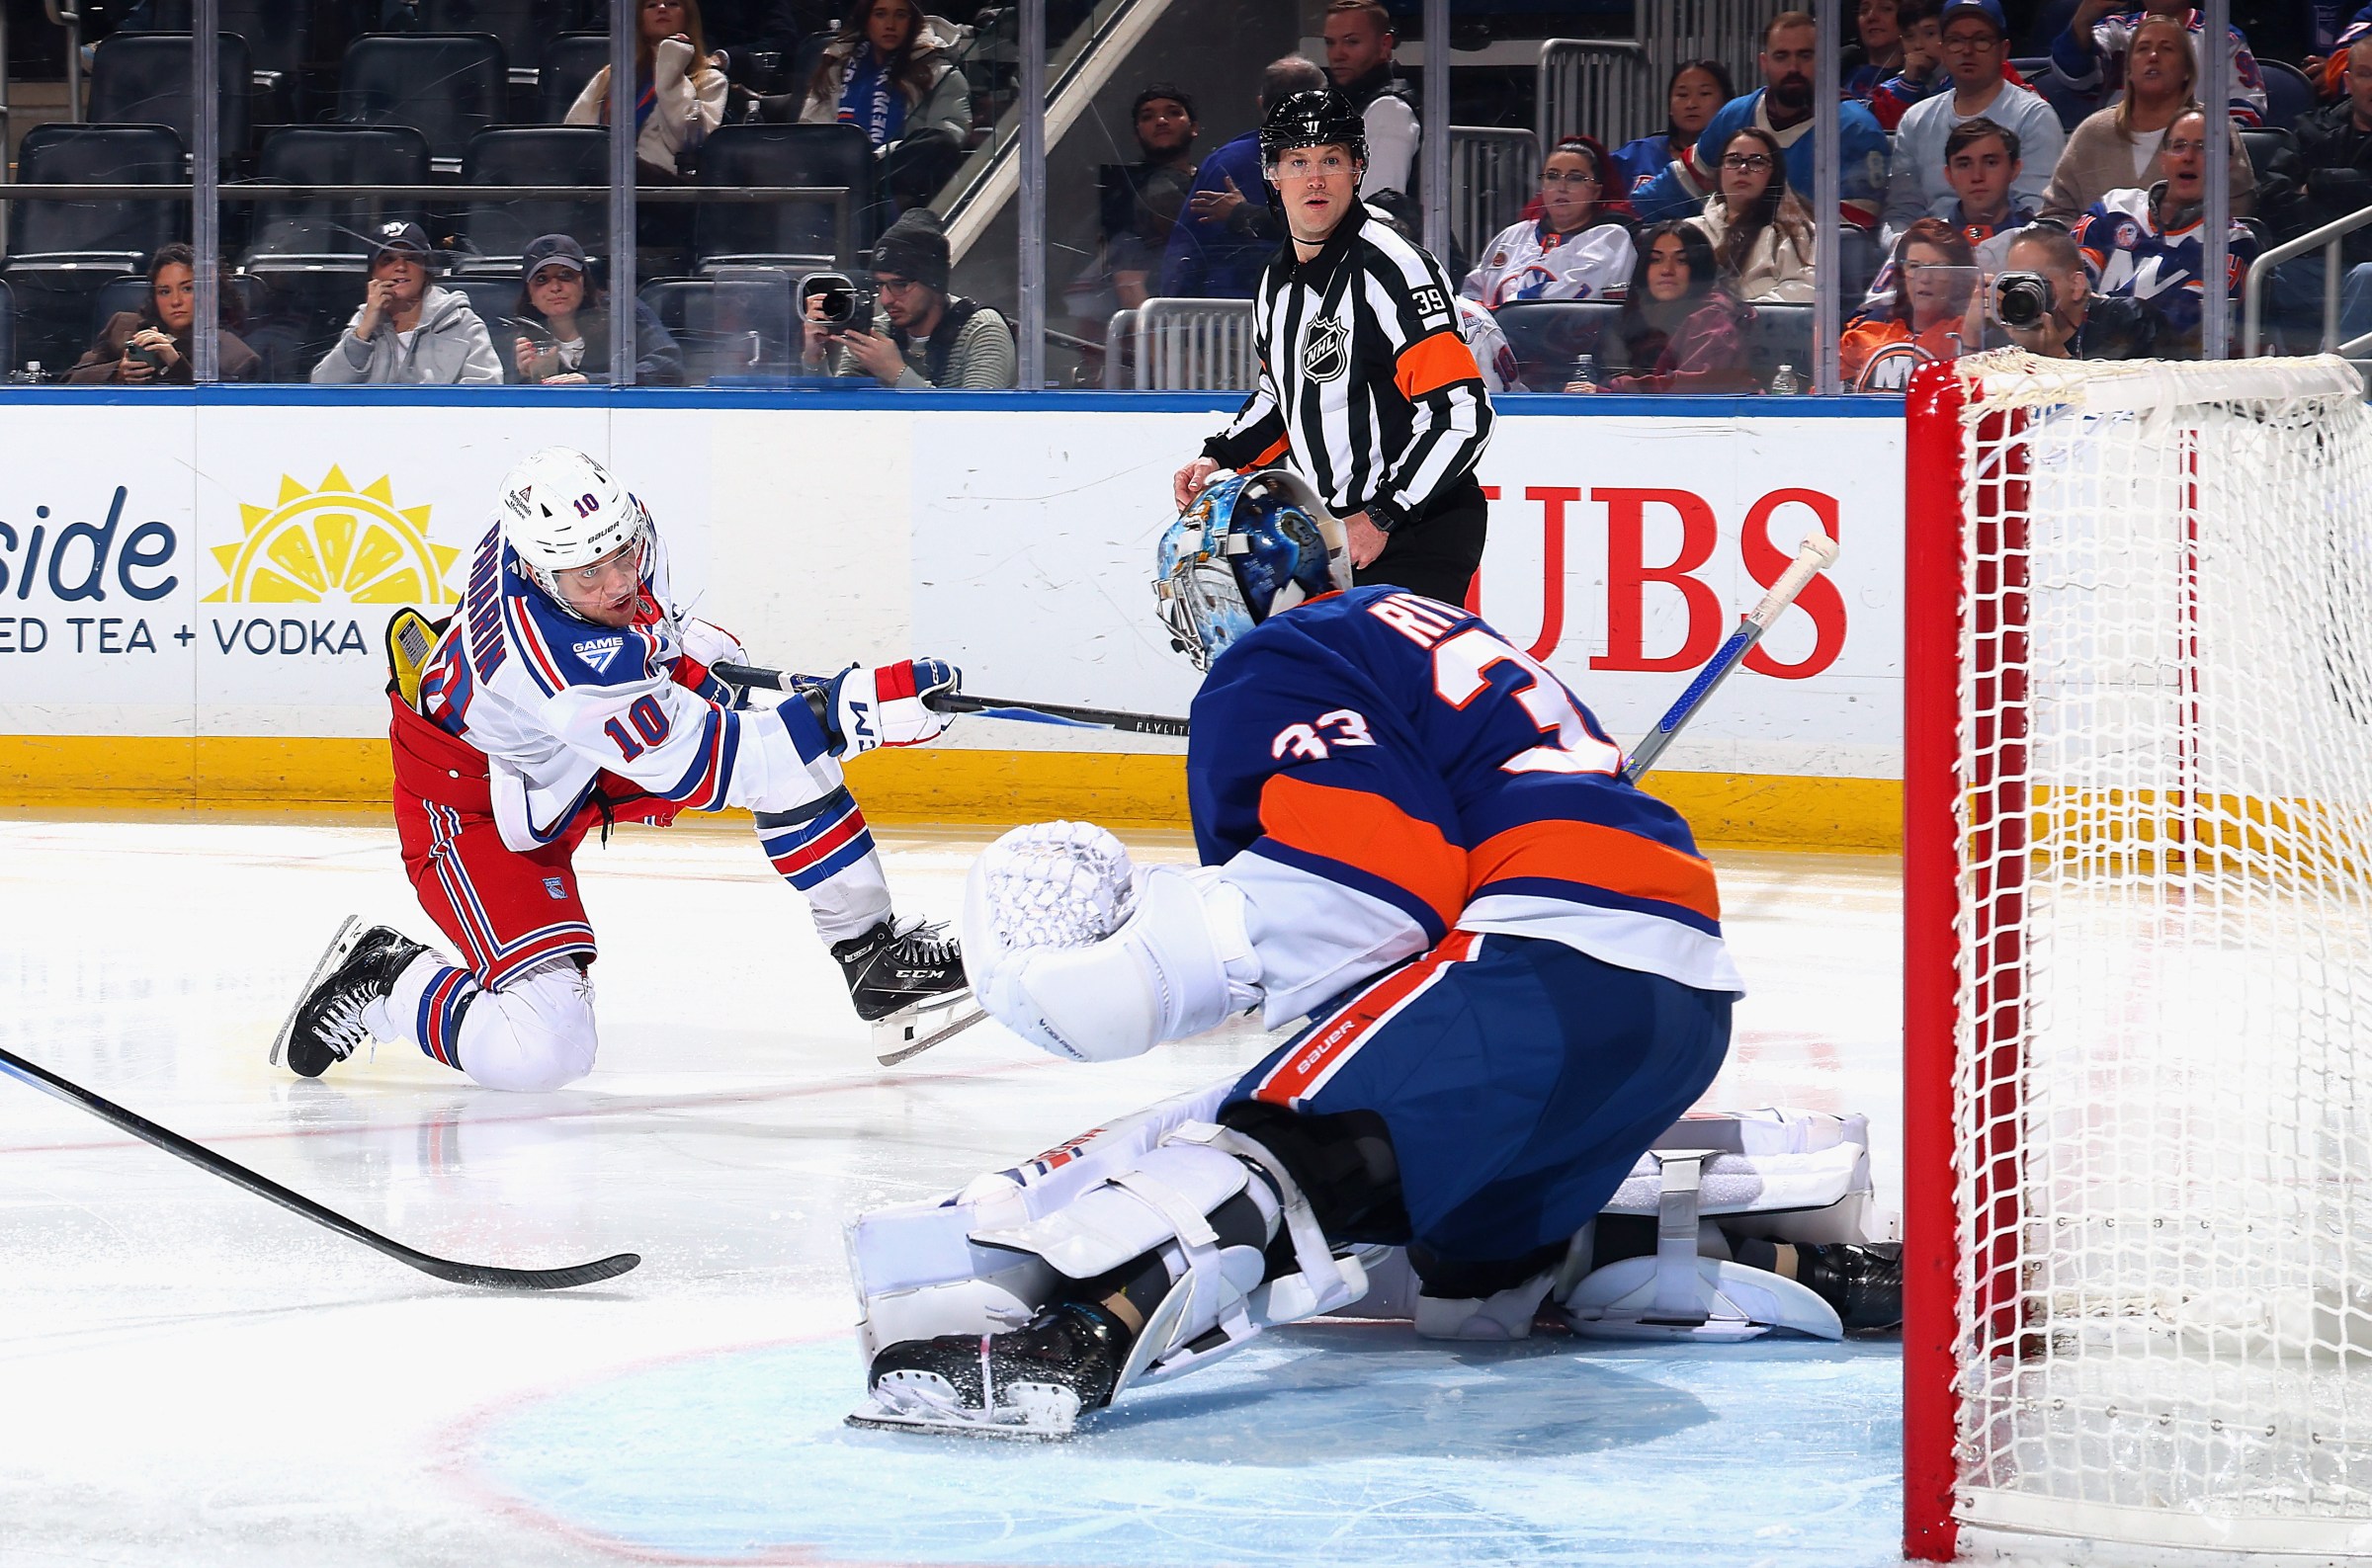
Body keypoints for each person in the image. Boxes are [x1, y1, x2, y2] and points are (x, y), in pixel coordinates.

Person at [843, 476, 1900, 1437]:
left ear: (1241, 588)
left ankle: (1072, 1345)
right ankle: (1803, 1269)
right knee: (1467, 1281)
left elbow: (1374, 891)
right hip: (1679, 992)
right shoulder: (1421, 627)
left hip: (1542, 958)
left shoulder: (1276, 658)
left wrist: (1148, 969)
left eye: (1200, 599)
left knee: (1288, 1133)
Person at [276, 448, 971, 1092]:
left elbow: (643, 633)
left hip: (556, 750)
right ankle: (388, 979)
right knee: (546, 1050)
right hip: (471, 797)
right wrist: (853, 713)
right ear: (542, 574)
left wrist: (695, 666)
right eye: (591, 574)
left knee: (779, 738)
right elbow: (716, 766)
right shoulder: (554, 664)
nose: (619, 582)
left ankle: (874, 959)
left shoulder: (574, 535)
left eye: (622, 554)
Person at [1173, 91, 1494, 609]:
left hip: (1415, 529)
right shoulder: (1274, 282)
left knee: (1373, 664)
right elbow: (1282, 399)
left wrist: (1383, 515)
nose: (1315, 179)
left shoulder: (1393, 270)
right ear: (1273, 175)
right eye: (1298, 162)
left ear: (1357, 167)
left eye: (1331, 160)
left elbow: (1460, 413)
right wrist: (1218, 457)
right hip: (1337, 533)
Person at [1631, 13, 1892, 231]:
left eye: (1805, 56)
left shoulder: (1857, 129)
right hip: (1732, 261)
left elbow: (1854, 233)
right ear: (1764, 63)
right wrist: (1625, 214)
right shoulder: (1734, 115)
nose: (1793, 68)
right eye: (1781, 56)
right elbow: (1678, 186)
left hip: (1808, 272)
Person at [2070, 108, 2258, 356]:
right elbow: (2067, 283)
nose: (2188, 157)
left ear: (2227, 165)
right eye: (2179, 146)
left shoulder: (2231, 241)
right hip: (2076, 356)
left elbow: (2179, 325)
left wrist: (2097, 311)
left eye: (2204, 148)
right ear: (2163, 159)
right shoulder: (2113, 207)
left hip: (2162, 369)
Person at [1879, 0, 2064, 242]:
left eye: (1981, 40)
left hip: (2010, 250)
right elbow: (1900, 213)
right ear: (1943, 49)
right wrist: (1905, 246)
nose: (1967, 50)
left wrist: (1974, 249)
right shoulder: (1916, 119)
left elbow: (2038, 215)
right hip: (1929, 252)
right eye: (1956, 40)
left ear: (2004, 50)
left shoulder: (2034, 115)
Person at [2039, 16, 2256, 220]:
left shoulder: (2213, 128)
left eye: (2166, 49)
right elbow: (2056, 214)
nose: (2153, 56)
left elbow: (2237, 213)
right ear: (2129, 71)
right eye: (2143, 48)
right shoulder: (2093, 132)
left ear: (2187, 71)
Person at [762, 0, 971, 208]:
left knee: (936, 142)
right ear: (866, 20)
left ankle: (871, 189)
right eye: (880, 14)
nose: (890, 25)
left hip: (903, 177)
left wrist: (878, 156)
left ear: (914, 21)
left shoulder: (940, 73)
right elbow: (811, 131)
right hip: (838, 174)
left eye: (900, 15)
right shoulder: (835, 70)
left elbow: (949, 134)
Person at [1161, 56, 1328, 300]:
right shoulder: (1338, 165)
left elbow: (1184, 255)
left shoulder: (1224, 163)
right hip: (1312, 307)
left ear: (1260, 102)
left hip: (1223, 312)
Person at [803, 207, 1017, 388]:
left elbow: (977, 419)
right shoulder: (877, 332)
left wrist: (897, 373)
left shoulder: (982, 330)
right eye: (880, 285)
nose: (886, 299)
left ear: (934, 283)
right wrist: (814, 358)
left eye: (900, 285)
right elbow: (842, 413)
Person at [2264, 35, 2372, 343]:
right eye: (2365, 74)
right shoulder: (2313, 129)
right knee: (2265, 275)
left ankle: (2334, 368)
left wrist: (2319, 183)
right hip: (2318, 266)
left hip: (2365, 268)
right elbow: (2272, 196)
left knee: (2367, 276)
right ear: (2348, 82)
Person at [310, 221, 502, 386]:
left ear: (426, 269)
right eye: (388, 260)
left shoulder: (460, 323)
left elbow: (486, 390)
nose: (401, 267)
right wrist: (363, 332)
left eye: (411, 258)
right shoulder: (363, 323)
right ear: (373, 273)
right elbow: (321, 388)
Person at [1580, 220, 1756, 393]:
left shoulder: (1714, 316)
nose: (1667, 270)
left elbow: (1697, 387)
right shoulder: (1638, 313)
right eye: (1656, 260)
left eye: (1681, 260)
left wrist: (1612, 391)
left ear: (1699, 267)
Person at [1461, 138, 1637, 308]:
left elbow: (1563, 300)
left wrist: (1497, 314)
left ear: (1596, 191)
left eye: (1575, 178)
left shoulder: (1610, 238)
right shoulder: (1514, 234)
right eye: (1552, 176)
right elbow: (1472, 291)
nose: (1561, 187)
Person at [565, 0, 728, 182]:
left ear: (688, 17)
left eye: (672, 4)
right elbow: (576, 136)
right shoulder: (613, 75)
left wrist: (672, 65)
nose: (662, 8)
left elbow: (686, 141)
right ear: (639, 20)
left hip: (667, 188)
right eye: (651, 5)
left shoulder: (710, 80)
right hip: (603, 183)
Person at [66, 243, 260, 385]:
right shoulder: (122, 326)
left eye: (187, 289)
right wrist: (118, 373)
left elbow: (218, 413)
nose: (175, 301)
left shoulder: (237, 356)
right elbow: (69, 382)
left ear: (210, 294)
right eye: (164, 292)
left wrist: (174, 363)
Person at [508, 234, 685, 387]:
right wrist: (526, 377)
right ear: (529, 293)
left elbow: (669, 366)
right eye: (541, 279)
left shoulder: (623, 312)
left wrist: (592, 382)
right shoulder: (522, 335)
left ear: (585, 282)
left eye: (566, 275)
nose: (555, 287)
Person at [2050, 0, 2267, 124]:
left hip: (2194, 156)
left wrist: (2198, 143)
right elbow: (2077, 80)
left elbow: (2247, 113)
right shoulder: (2114, 29)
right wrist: (2084, 18)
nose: (2153, 56)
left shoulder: (2222, 38)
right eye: (2144, 48)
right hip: (2119, 150)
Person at [1840, 216, 1979, 388]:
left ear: (1959, 276)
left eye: (1939, 267)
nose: (1925, 278)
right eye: (1914, 266)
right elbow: (1826, 397)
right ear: (1900, 274)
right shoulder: (1868, 331)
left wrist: (1972, 333)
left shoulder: (1972, 330)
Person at [1994, 221, 2164, 357]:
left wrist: (2056, 355)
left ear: (2076, 284)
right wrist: (1980, 330)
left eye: (2035, 282)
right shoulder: (2016, 337)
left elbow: (2124, 388)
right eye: (2016, 283)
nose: (2023, 293)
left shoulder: (2131, 319)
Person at [1688, 126, 1819, 302]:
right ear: (1719, 171)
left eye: (1757, 162)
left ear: (1774, 174)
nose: (1743, 168)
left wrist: (1739, 313)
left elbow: (1803, 292)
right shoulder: (1691, 231)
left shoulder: (1798, 233)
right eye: (1733, 160)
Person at [1322, 0, 1419, 208]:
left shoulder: (1388, 111)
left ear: (1384, 44)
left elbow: (1376, 209)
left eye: (1352, 42)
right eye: (1330, 43)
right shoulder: (1354, 106)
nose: (1337, 54)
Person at [1611, 60, 1737, 201]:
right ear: (1670, 106)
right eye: (1682, 95)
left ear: (1727, 104)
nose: (1691, 104)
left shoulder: (1739, 160)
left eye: (1704, 93)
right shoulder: (1635, 155)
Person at [1868, 0, 1946, 129]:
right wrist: (1908, 83)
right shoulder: (1888, 90)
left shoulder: (1966, 82)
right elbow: (1893, 131)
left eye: (1930, 34)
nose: (1918, 45)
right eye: (1909, 36)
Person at [1845, 0, 1907, 101]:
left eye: (1885, 9)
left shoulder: (1916, 81)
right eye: (1864, 10)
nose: (1871, 17)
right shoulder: (1842, 69)